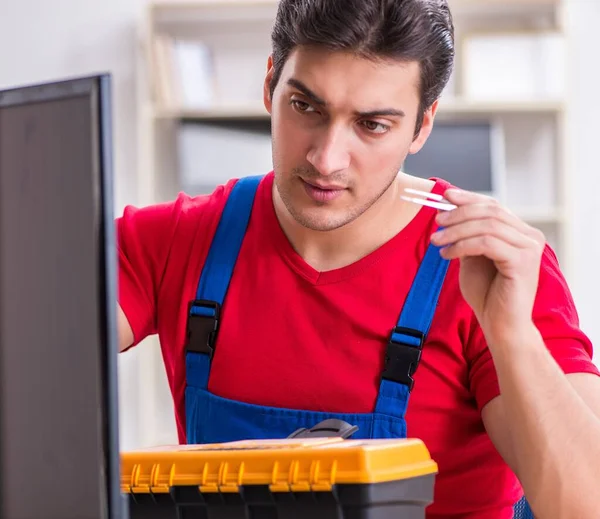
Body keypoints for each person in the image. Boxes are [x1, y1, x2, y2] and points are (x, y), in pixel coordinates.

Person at [116, 0, 600, 517]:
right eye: (306, 107)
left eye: (371, 125)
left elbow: (582, 506)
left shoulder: (492, 270)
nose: (326, 159)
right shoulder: (174, 241)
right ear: (270, 86)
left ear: (421, 126)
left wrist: (513, 336)